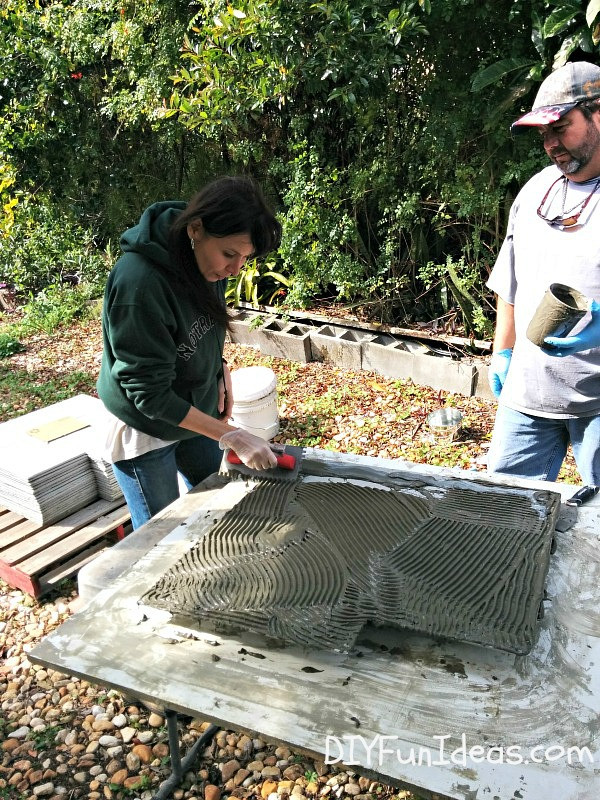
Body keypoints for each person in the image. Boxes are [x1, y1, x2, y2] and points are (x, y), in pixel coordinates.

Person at [97, 176, 282, 528]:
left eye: (243, 258)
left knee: (212, 509)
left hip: (195, 410)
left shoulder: (207, 261)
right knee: (159, 536)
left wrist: (219, 370)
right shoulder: (139, 284)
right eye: (230, 254)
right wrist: (233, 434)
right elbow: (148, 395)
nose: (234, 269)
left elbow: (201, 329)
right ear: (196, 229)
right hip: (145, 424)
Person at [487, 60, 600, 486]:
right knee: (504, 513)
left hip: (597, 400)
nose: (551, 143)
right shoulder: (536, 190)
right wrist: (503, 353)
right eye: (544, 133)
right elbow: (510, 284)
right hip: (528, 397)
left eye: (561, 127)